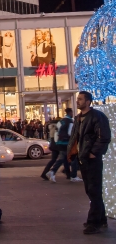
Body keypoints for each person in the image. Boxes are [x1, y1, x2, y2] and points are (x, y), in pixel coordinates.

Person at [67, 91, 111, 234]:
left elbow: (104, 137)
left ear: (88, 102)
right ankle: (101, 218)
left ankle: (94, 222)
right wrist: (72, 154)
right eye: (77, 99)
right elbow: (75, 137)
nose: (77, 101)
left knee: (94, 190)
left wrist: (94, 153)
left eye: (80, 99)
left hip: (91, 159)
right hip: (83, 158)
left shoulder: (97, 117)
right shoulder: (78, 118)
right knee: (91, 191)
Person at [46, 108, 74, 182]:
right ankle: (52, 171)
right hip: (66, 142)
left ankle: (68, 174)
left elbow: (56, 130)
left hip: (59, 141)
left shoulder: (61, 121)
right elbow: (70, 133)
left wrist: (56, 140)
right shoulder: (70, 121)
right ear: (70, 113)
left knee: (64, 158)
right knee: (63, 158)